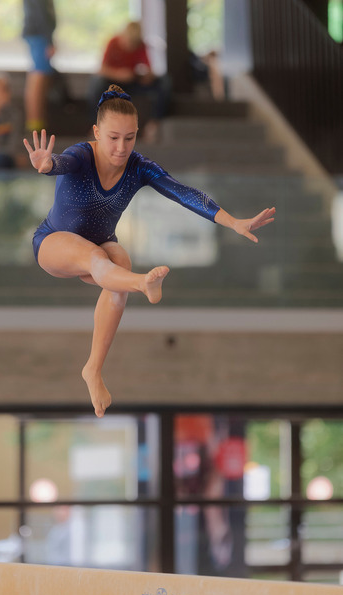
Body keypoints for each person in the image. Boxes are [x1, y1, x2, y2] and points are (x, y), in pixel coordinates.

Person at [23, 84, 275, 418]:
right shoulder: (81, 155)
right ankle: (142, 283)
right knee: (99, 259)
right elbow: (61, 162)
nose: (121, 147)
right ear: (96, 132)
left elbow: (182, 192)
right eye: (113, 138)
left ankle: (93, 368)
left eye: (130, 138)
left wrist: (233, 222)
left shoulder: (139, 167)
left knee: (120, 259)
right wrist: (47, 164)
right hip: (54, 242)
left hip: (101, 242)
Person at [88, 22, 171, 142]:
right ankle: (96, 125)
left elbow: (148, 69)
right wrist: (119, 74)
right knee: (96, 83)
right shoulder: (113, 42)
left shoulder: (141, 45)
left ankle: (154, 123)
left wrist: (147, 75)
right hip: (113, 82)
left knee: (164, 82)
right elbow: (102, 70)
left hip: (132, 81)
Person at [22, 0, 57, 133]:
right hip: (39, 35)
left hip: (39, 34)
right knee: (38, 75)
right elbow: (40, 13)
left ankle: (38, 122)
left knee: (41, 76)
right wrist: (49, 40)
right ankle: (34, 124)